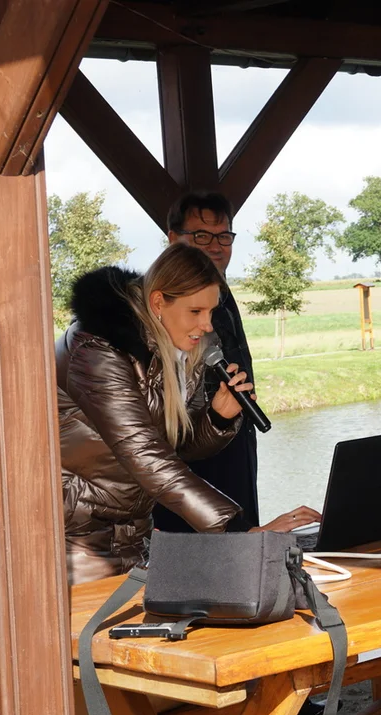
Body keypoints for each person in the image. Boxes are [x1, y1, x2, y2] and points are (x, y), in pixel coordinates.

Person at [56, 243, 319, 585]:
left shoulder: (176, 352)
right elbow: (146, 456)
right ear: (158, 302)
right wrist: (238, 530)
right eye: (195, 312)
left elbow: (178, 447)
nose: (206, 326)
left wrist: (218, 417)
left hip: (134, 534)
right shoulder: (96, 352)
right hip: (74, 543)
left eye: (210, 312)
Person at [153, 192, 261, 533]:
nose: (215, 246)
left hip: (229, 429)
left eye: (224, 236)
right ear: (173, 239)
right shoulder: (161, 308)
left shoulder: (223, 294)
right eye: (201, 236)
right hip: (181, 455)